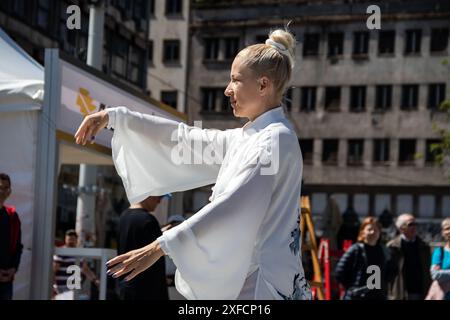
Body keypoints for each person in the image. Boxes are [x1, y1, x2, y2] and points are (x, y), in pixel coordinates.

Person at [75, 26, 311, 300]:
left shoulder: (274, 139)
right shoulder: (252, 136)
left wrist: (159, 247)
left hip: (262, 283)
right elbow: (185, 139)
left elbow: (234, 204)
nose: (227, 90)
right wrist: (116, 117)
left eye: (235, 80)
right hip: (255, 278)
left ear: (263, 85)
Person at [118, 194, 170, 300]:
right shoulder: (148, 220)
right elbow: (155, 253)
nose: (159, 202)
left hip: (126, 283)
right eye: (158, 198)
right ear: (148, 195)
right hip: (148, 288)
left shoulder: (123, 216)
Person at [335, 217, 395, 300]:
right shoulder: (356, 249)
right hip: (357, 296)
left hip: (377, 296)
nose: (372, 232)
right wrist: (353, 288)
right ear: (363, 232)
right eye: (369, 229)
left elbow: (391, 271)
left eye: (376, 230)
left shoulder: (384, 251)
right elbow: (340, 272)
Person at [387, 213, 431, 300]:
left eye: (415, 224)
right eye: (410, 224)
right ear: (401, 228)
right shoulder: (392, 247)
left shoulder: (424, 246)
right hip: (400, 292)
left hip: (421, 292)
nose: (414, 227)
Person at [53, 229, 100, 299]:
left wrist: (95, 280)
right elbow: (54, 269)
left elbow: (85, 269)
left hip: (74, 288)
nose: (71, 241)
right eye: (69, 239)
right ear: (65, 239)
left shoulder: (79, 253)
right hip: (62, 288)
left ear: (76, 240)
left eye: (73, 239)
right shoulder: (62, 252)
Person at [0, 173, 23, 300]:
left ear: (10, 191)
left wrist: (14, 268)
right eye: (0, 187)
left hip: (6, 280)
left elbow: (18, 247)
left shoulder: (12, 216)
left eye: (6, 188)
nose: (2, 191)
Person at [426, 217, 450, 300]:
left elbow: (440, 274)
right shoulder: (439, 252)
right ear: (443, 232)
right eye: (447, 229)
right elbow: (435, 274)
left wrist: (444, 274)